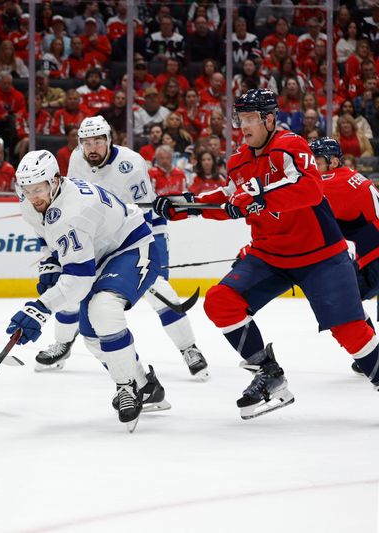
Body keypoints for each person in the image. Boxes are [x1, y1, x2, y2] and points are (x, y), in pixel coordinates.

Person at [153, 89, 379, 419]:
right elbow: (230, 197)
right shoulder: (239, 160)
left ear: (269, 119)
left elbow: (310, 188)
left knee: (351, 332)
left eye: (249, 119)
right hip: (270, 255)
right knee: (220, 302)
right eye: (240, 119)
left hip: (322, 256)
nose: (242, 126)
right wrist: (186, 205)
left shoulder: (291, 146)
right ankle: (268, 373)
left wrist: (261, 196)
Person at [6, 149, 170, 432]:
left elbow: (79, 280)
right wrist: (50, 263)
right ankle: (146, 386)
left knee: (103, 309)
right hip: (99, 252)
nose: (33, 196)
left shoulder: (74, 211)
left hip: (131, 247)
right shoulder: (33, 202)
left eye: (39, 188)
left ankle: (126, 387)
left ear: (56, 180)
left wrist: (40, 308)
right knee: (93, 336)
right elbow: (45, 231)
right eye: (27, 189)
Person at [33, 116, 208, 379]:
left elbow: (148, 214)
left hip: (131, 236)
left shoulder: (131, 163)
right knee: (71, 288)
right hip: (96, 238)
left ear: (109, 140)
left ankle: (189, 348)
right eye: (86, 142)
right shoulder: (77, 159)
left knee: (161, 291)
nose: (92, 148)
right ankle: (62, 344)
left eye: (98, 141)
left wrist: (154, 256)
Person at [310, 138, 379, 374]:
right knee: (346, 297)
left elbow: (310, 221)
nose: (312, 168)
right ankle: (370, 350)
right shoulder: (348, 176)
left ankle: (370, 352)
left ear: (334, 161)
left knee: (342, 300)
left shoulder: (330, 182)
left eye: (316, 162)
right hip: (371, 254)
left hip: (375, 256)